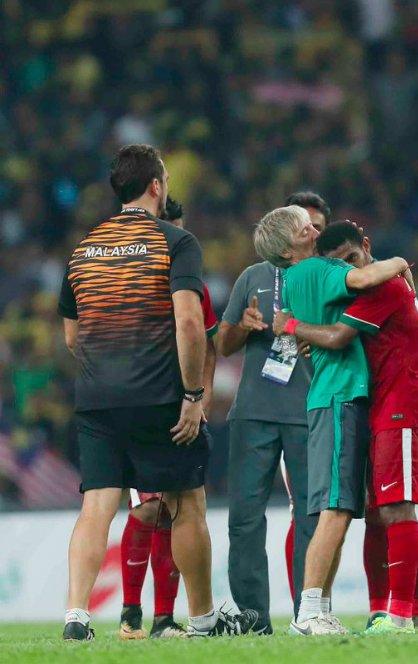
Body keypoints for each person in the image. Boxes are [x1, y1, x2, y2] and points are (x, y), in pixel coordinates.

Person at [59, 144, 259, 640]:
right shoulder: (174, 240)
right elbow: (190, 322)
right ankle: (202, 618)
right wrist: (194, 395)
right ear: (155, 185)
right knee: (187, 504)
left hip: (96, 398)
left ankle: (76, 617)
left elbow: (70, 335)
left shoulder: (85, 247)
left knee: (97, 505)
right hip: (158, 397)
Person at [274, 221, 418, 634]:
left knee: (395, 507)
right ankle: (400, 608)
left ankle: (397, 613)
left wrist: (292, 327)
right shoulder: (371, 284)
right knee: (380, 510)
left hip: (400, 404)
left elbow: (338, 336)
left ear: (367, 247)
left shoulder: (382, 285)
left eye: (352, 260)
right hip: (378, 405)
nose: (349, 271)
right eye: (340, 265)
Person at [217, 192, 331, 633]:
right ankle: (252, 617)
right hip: (255, 412)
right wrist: (240, 327)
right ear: (287, 247)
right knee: (244, 517)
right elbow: (223, 342)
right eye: (307, 229)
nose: (317, 232)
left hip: (309, 408)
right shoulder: (252, 277)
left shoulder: (329, 275)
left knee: (311, 515)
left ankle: (310, 611)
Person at [118, 197, 220, 640]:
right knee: (150, 510)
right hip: (147, 404)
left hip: (185, 407)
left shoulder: (192, 281)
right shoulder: (132, 280)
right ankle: (130, 612)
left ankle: (163, 619)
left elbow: (208, 342)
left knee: (177, 506)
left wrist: (202, 397)